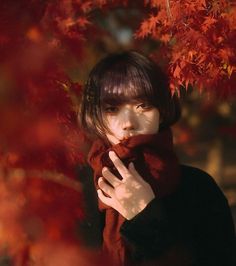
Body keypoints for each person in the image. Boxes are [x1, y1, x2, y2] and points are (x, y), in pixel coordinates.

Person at [77, 50, 236, 266]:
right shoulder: (73, 186)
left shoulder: (198, 189)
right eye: (112, 108)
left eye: (143, 106)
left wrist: (144, 215)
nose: (129, 122)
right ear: (94, 118)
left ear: (161, 111)